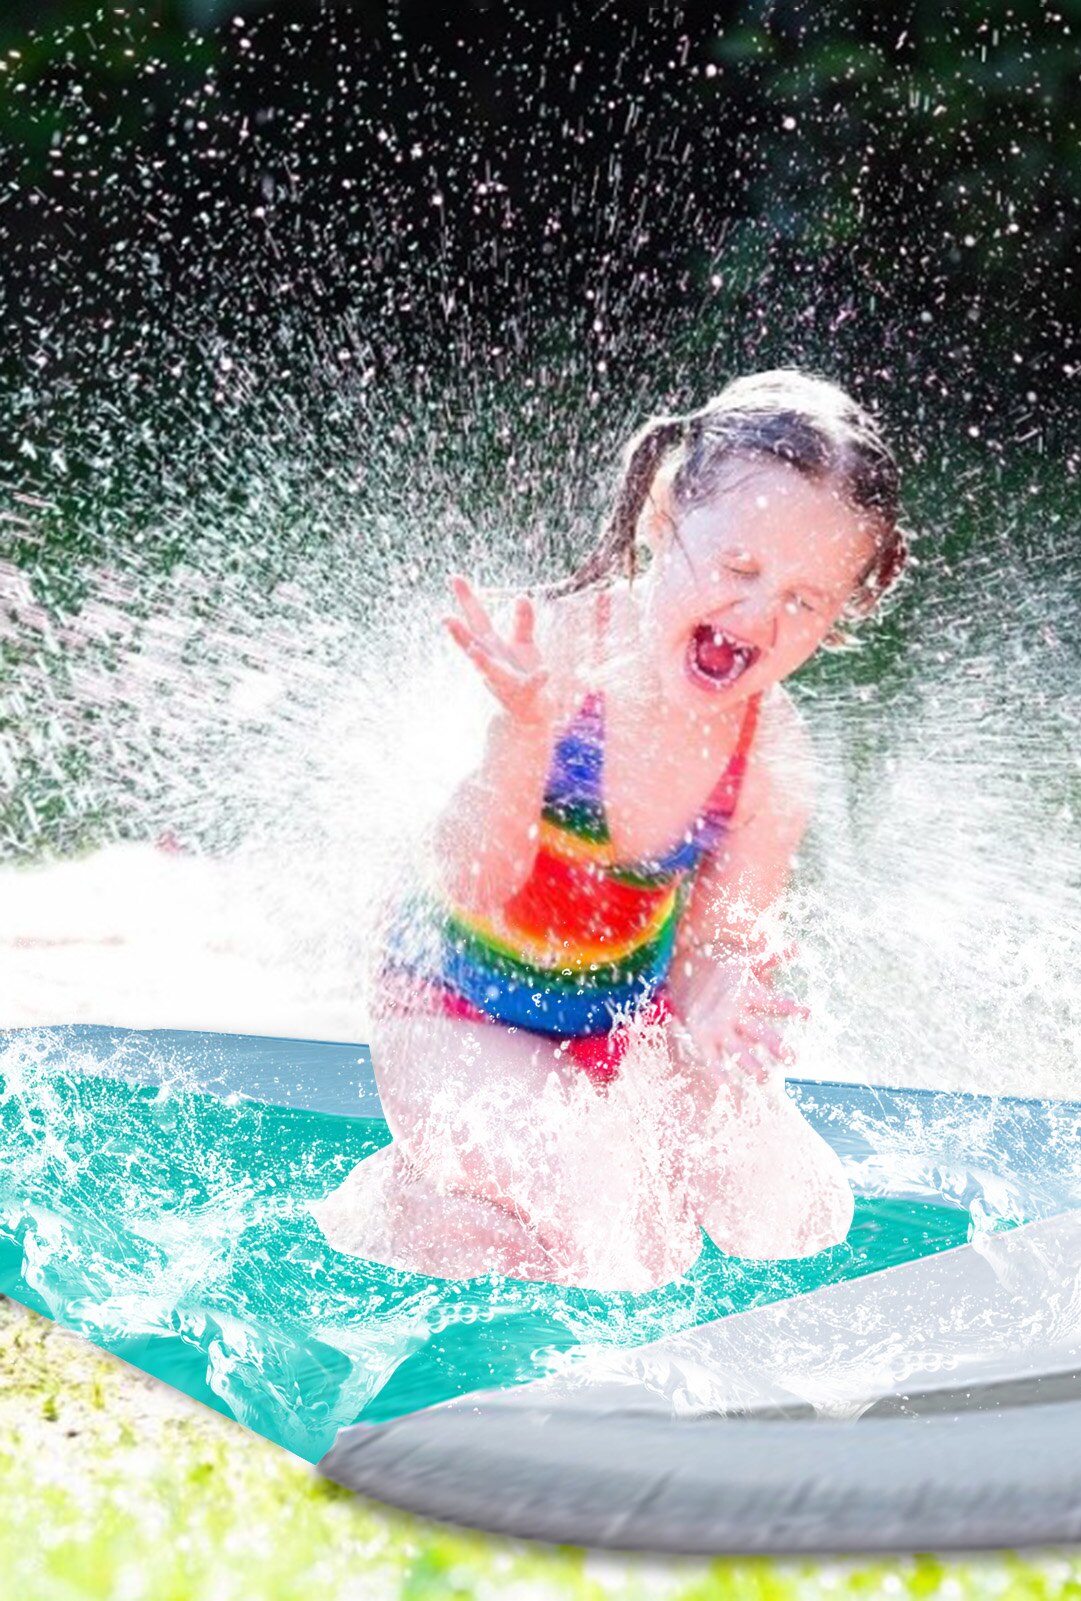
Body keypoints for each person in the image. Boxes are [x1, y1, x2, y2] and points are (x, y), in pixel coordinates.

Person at [309, 368, 911, 1291]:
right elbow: (467, 884)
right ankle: (398, 1202)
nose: (759, 617)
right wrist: (523, 736)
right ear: (664, 515)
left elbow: (712, 942)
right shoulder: (553, 661)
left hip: (620, 1019)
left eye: (805, 601)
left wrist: (715, 996)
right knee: (617, 1219)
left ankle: (502, 1204)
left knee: (791, 1212)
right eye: (741, 570)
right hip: (454, 1014)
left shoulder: (769, 754)